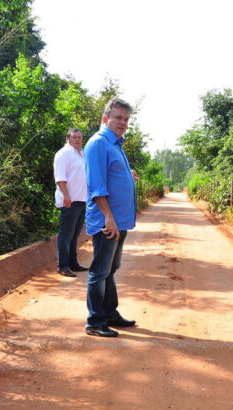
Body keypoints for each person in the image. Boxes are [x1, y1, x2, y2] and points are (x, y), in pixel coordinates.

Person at [84, 98, 137, 338]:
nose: (123, 123)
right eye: (118, 118)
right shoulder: (98, 144)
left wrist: (128, 174)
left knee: (111, 268)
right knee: (100, 270)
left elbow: (112, 174)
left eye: (126, 119)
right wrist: (108, 217)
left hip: (119, 220)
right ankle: (95, 321)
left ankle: (110, 313)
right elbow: (96, 185)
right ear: (106, 119)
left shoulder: (115, 144)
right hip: (108, 220)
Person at [54, 128, 89, 277]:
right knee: (66, 234)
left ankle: (73, 263)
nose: (77, 139)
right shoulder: (63, 153)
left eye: (79, 137)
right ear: (67, 138)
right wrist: (66, 195)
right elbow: (60, 177)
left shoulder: (81, 153)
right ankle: (63, 266)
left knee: (75, 234)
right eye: (74, 137)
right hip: (70, 200)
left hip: (82, 199)